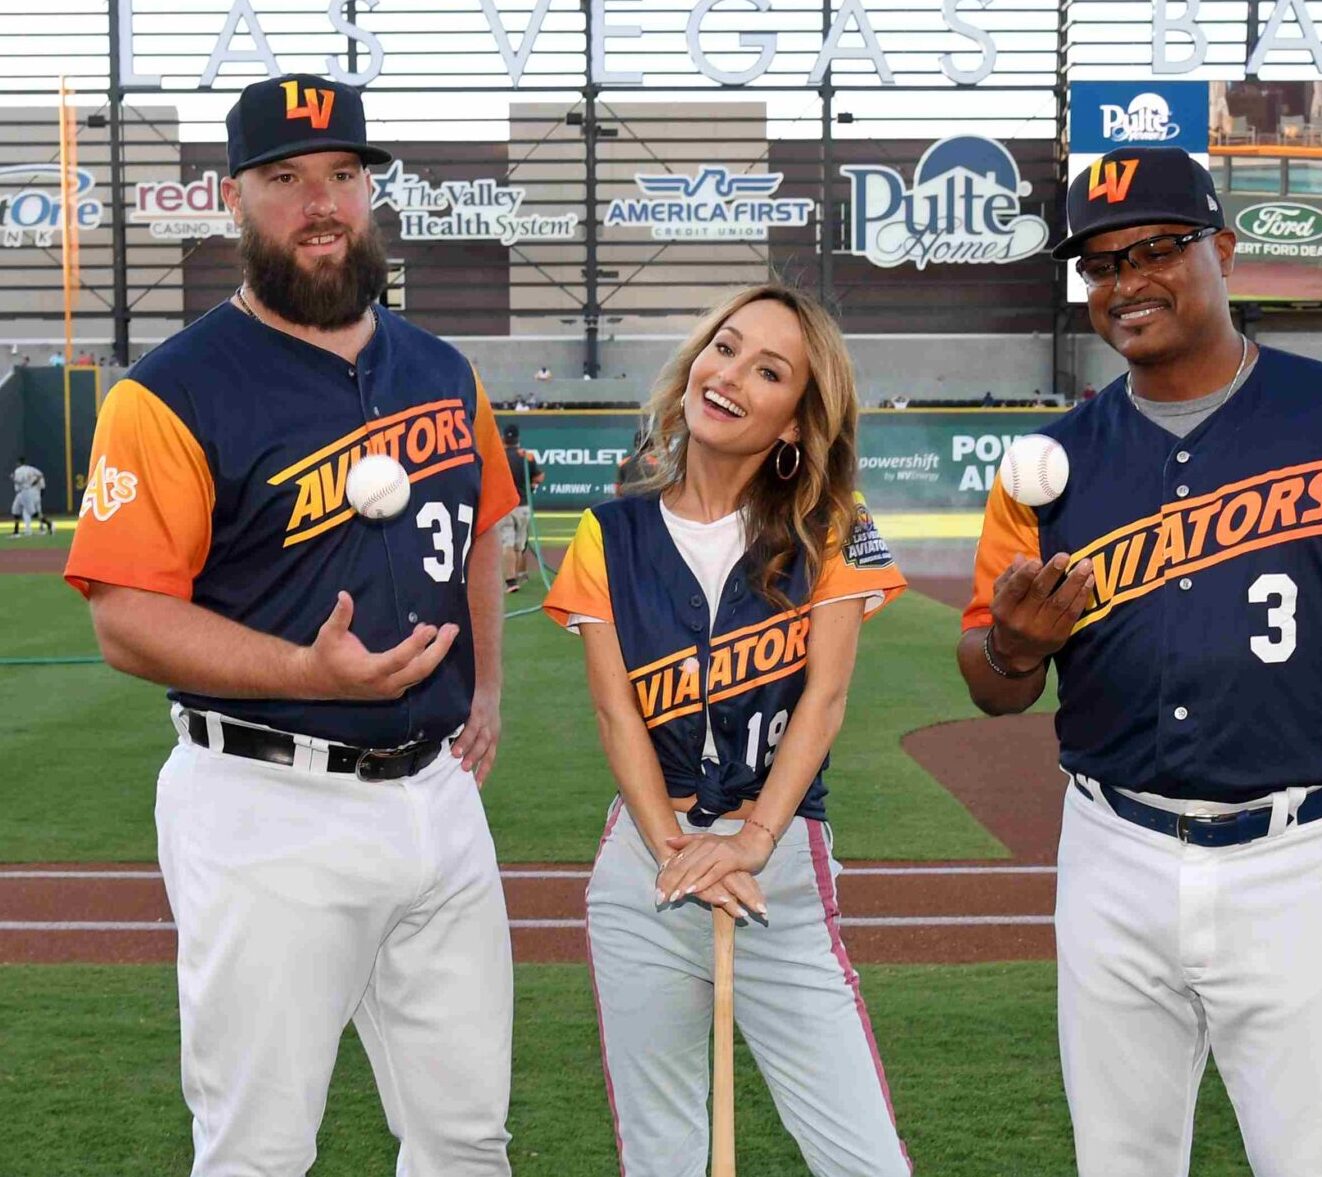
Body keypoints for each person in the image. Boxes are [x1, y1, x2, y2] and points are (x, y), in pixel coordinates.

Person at [959, 146, 1322, 1177]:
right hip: (1111, 851)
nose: (1127, 281)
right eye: (1101, 265)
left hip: (1296, 854)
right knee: (1120, 1162)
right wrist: (1015, 645)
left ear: (1224, 251)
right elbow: (991, 682)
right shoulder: (1046, 465)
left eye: (1157, 247)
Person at [62, 74, 519, 1176]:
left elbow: (487, 530)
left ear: (370, 194)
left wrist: (490, 692)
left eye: (344, 176)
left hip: (437, 802)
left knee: (465, 1136)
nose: (321, 202)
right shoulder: (169, 392)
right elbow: (125, 617)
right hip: (266, 803)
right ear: (236, 199)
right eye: (286, 179)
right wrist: (311, 673)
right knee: (260, 1149)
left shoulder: (440, 368)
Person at [543, 284, 913, 1177]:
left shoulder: (835, 528)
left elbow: (823, 701)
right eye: (724, 348)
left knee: (864, 1160)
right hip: (647, 870)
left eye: (768, 370)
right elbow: (615, 712)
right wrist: (672, 849)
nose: (731, 375)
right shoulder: (607, 532)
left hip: (776, 867)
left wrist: (748, 839)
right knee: (663, 1157)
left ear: (794, 422)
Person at [499, 423, 544, 592]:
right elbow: (539, 477)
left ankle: (511, 581)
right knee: (520, 545)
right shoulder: (527, 456)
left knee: (507, 544)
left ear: (504, 438)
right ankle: (518, 575)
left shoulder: (499, 455)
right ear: (518, 438)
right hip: (523, 505)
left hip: (505, 506)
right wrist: (531, 485)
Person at [10, 456, 48, 537]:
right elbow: (40, 475)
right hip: (24, 492)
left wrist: (13, 478)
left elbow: (19, 481)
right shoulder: (30, 468)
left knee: (31, 513)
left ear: (19, 463)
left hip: (24, 492)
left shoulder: (18, 470)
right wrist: (33, 483)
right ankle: (16, 532)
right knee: (15, 510)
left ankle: (49, 524)